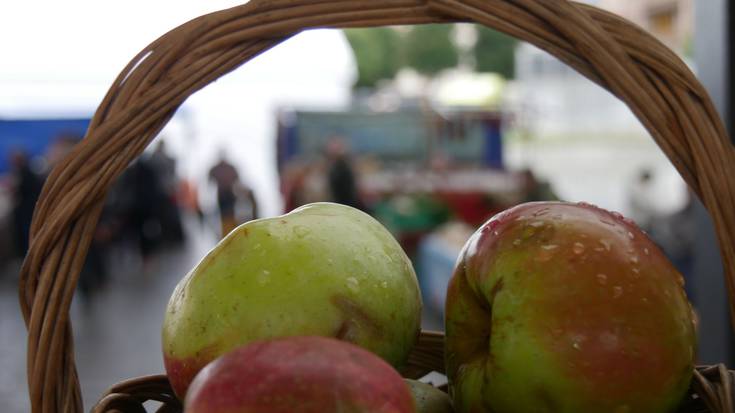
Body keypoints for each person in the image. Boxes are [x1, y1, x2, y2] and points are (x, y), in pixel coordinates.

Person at [209, 153, 257, 237]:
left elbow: (237, 179)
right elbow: (210, 180)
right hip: (222, 196)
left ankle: (231, 233)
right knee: (224, 217)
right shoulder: (217, 169)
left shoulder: (230, 168)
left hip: (230, 195)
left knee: (231, 215)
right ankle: (227, 234)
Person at [8, 150, 42, 257]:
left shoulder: (25, 173)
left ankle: (28, 254)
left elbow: (23, 190)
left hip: (27, 211)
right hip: (29, 210)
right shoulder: (27, 172)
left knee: (26, 234)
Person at [325, 137, 365, 211]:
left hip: (344, 205)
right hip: (342, 205)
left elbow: (348, 190)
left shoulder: (342, 167)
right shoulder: (338, 167)